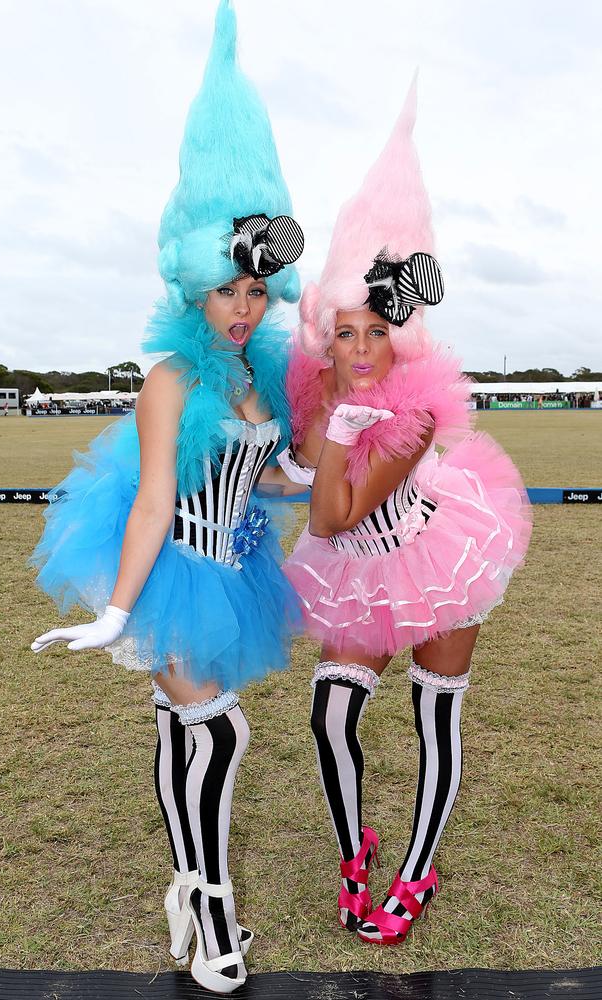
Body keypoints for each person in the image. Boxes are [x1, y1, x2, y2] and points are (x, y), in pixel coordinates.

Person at [29, 2, 304, 992]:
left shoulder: (253, 376)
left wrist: (301, 472)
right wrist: (113, 614)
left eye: (256, 291)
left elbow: (257, 473)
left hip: (234, 559)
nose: (243, 308)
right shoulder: (170, 381)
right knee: (220, 727)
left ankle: (188, 885)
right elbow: (153, 500)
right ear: (194, 285)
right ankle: (212, 908)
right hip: (166, 567)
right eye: (228, 290)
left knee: (176, 726)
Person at [281, 81, 532, 946]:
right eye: (342, 333)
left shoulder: (416, 409)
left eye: (373, 334)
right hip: (361, 574)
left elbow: (335, 514)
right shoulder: (316, 399)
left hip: (436, 554)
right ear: (324, 334)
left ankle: (417, 865)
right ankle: (356, 852)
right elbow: (305, 485)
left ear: (401, 335)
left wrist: (339, 442)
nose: (357, 351)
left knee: (435, 716)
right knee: (329, 715)